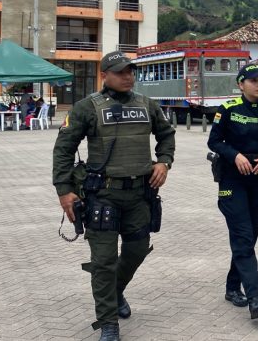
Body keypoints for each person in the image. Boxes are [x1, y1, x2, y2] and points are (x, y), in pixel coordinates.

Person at [52, 51, 176, 341]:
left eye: (130, 71)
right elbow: (63, 149)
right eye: (120, 72)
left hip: (139, 195)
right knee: (104, 262)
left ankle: (115, 291)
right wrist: (64, 190)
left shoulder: (147, 105)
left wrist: (164, 161)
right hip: (102, 197)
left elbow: (166, 134)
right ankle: (108, 323)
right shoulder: (86, 108)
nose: (127, 76)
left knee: (137, 251)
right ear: (104, 75)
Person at [207, 64, 258, 319]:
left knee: (247, 240)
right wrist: (235, 155)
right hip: (233, 181)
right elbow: (214, 141)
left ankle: (232, 288)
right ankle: (255, 298)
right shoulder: (228, 109)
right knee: (242, 236)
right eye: (253, 81)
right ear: (241, 84)